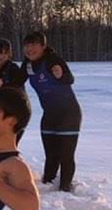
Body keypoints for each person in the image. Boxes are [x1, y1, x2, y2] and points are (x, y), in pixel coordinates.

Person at [21, 31, 82, 192]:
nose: (29, 49)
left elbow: (69, 79)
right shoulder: (27, 64)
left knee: (65, 156)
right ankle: (47, 186)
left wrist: (61, 75)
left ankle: (64, 190)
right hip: (49, 115)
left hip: (68, 114)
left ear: (43, 46)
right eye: (26, 45)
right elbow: (16, 81)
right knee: (51, 155)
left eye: (33, 45)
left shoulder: (52, 60)